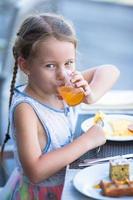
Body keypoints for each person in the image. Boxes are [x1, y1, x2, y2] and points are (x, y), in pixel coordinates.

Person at [2, 13, 120, 199]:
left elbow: (110, 70)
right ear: (25, 65)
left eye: (69, 63)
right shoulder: (26, 109)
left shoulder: (66, 86)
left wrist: (91, 95)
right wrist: (87, 141)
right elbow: (35, 171)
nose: (63, 74)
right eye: (50, 66)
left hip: (71, 181)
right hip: (42, 194)